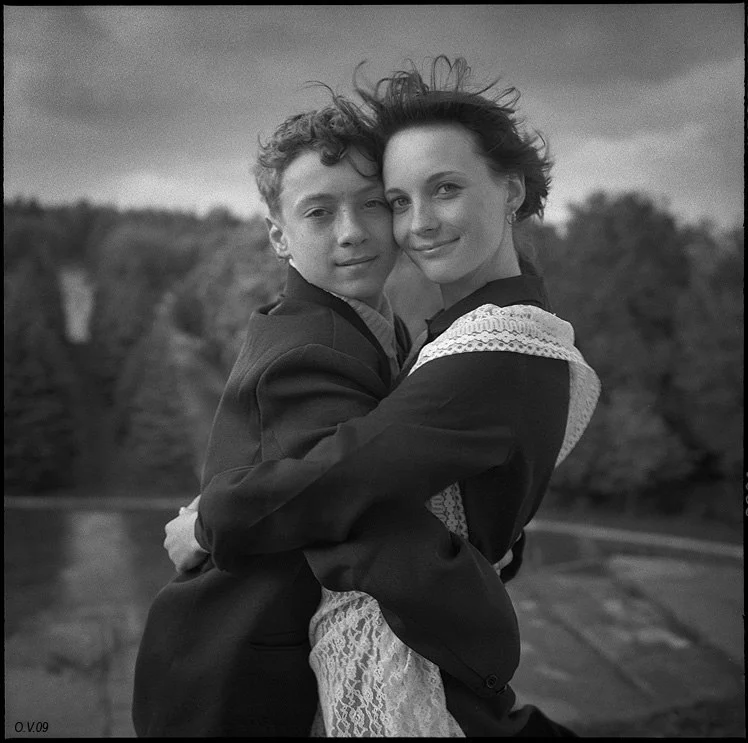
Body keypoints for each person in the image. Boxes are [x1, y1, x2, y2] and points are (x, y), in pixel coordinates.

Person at [167, 56, 601, 737]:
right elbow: (361, 493)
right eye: (399, 199)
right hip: (246, 683)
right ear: (279, 233)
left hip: (384, 664)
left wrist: (209, 518)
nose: (416, 222)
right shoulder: (427, 333)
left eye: (444, 189)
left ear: (512, 190)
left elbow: (355, 478)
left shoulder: (494, 342)